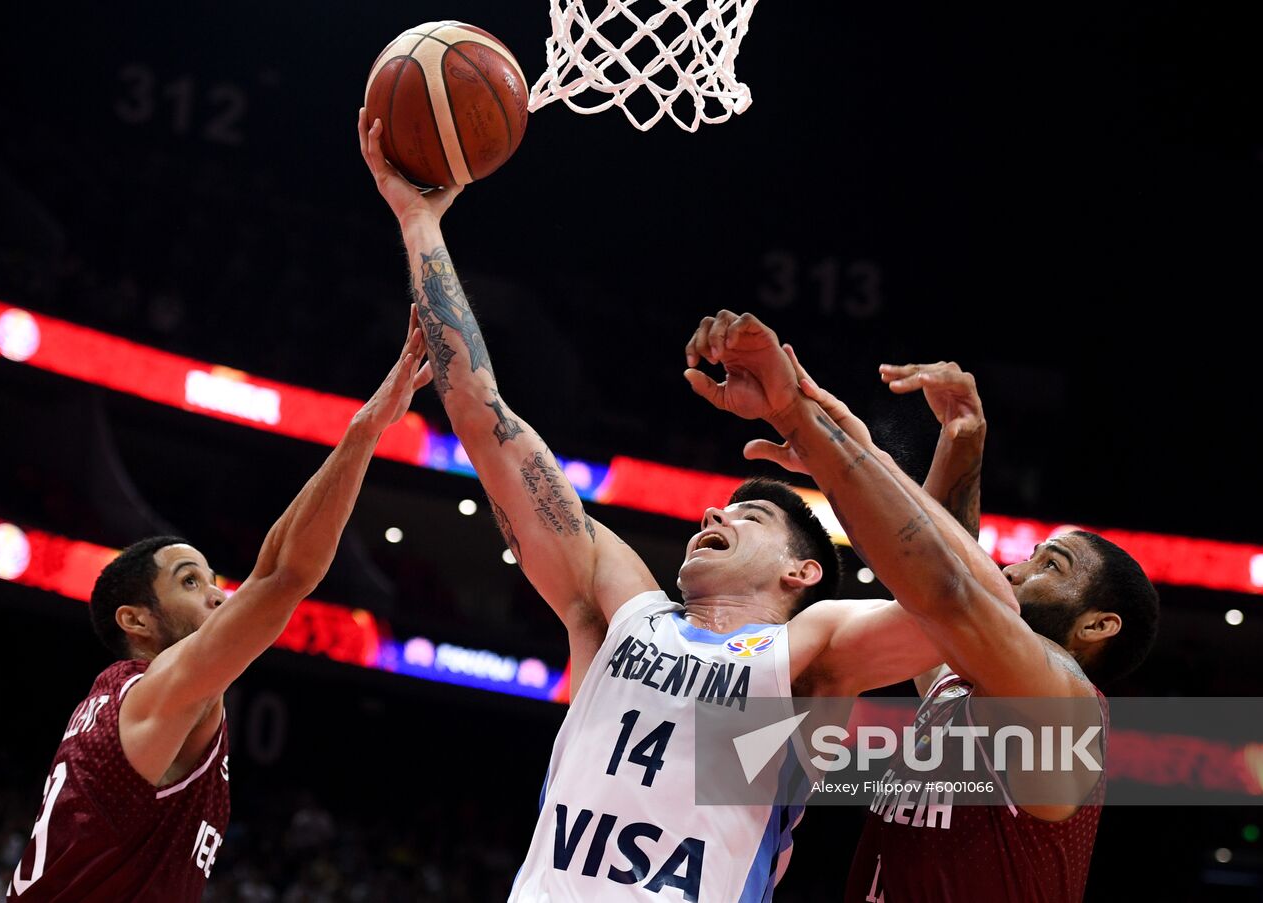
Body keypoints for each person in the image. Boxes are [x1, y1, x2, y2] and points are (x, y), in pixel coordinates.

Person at [359, 110, 1006, 902]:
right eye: (722, 509)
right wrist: (420, 219)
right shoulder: (618, 605)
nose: (713, 517)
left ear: (805, 570)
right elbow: (481, 413)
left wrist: (843, 444)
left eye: (751, 516)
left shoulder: (811, 653)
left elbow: (977, 608)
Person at [681, 310, 1159, 903]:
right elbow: (937, 594)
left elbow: (951, 592)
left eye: (1050, 566)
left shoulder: (1066, 705)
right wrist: (961, 441)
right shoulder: (957, 689)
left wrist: (835, 444)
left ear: (1099, 625)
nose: (1016, 567)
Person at [6, 311, 434, 901]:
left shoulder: (116, 697)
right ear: (136, 619)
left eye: (211, 577)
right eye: (188, 581)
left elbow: (269, 569)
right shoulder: (162, 692)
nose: (216, 591)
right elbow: (284, 576)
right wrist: (365, 430)